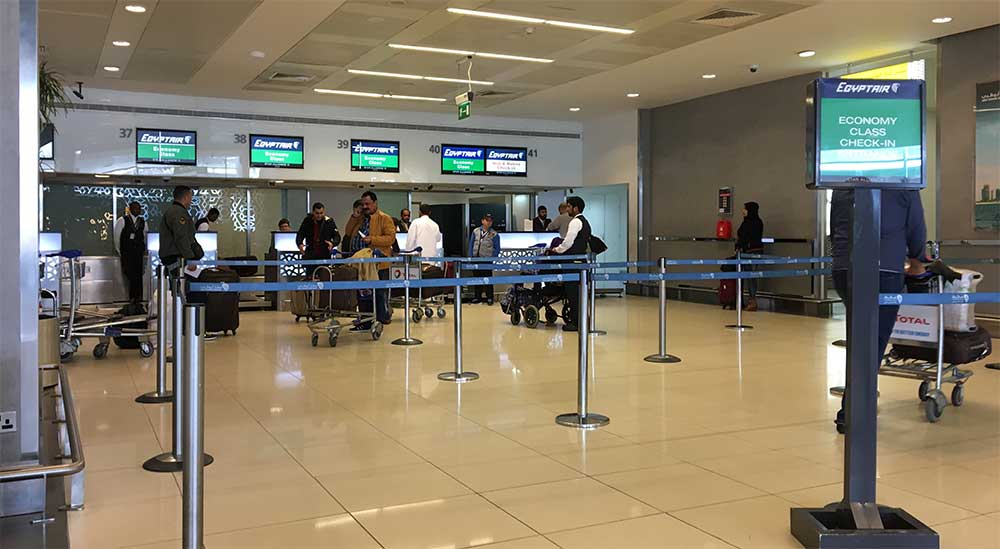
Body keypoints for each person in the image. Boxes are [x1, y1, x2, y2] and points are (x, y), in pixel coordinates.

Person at [831, 189, 927, 434]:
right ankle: (854, 409)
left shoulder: (842, 185)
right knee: (875, 340)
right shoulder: (904, 186)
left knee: (859, 337)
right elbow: (916, 227)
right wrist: (917, 259)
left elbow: (836, 227)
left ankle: (853, 405)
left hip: (844, 268)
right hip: (884, 269)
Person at [349, 191, 396, 326]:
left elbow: (390, 238)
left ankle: (381, 320)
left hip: (378, 264)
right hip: (361, 264)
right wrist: (354, 217)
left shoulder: (384, 218)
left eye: (367, 204)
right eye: (363, 204)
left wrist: (372, 240)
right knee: (362, 294)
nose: (365, 206)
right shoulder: (360, 218)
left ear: (375, 203)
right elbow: (347, 232)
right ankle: (365, 320)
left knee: (379, 294)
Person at [548, 196, 591, 332]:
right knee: (579, 293)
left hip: (572, 262)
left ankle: (576, 323)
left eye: (569, 206)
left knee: (573, 293)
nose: (567, 209)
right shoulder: (585, 222)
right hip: (581, 261)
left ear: (575, 208)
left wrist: (557, 250)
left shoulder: (575, 222)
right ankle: (582, 321)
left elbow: (568, 242)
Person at [159, 186, 200, 279]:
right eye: (190, 197)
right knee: (178, 286)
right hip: (176, 257)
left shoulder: (174, 211)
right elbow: (181, 236)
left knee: (175, 285)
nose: (191, 200)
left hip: (173, 256)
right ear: (186, 197)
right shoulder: (179, 213)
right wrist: (190, 257)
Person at [114, 201, 147, 305]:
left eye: (139, 208)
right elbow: (117, 238)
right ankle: (132, 298)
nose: (137, 210)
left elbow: (145, 237)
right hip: (127, 253)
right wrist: (120, 252)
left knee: (138, 275)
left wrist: (144, 250)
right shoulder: (122, 220)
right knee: (130, 274)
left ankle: (138, 298)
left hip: (138, 253)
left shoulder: (143, 222)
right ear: (130, 209)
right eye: (135, 208)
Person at [295, 202, 341, 276]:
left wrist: (332, 243)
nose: (319, 215)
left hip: (324, 254)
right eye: (317, 213)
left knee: (324, 278)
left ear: (324, 212)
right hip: (310, 254)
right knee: (310, 278)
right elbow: (300, 234)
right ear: (313, 212)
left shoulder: (329, 222)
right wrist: (300, 244)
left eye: (321, 213)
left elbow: (337, 237)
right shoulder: (307, 221)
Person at [734, 201, 764, 311]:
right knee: (752, 276)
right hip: (758, 251)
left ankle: (751, 301)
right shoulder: (759, 222)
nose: (743, 211)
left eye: (745, 209)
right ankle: (751, 299)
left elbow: (743, 237)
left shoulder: (748, 223)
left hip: (749, 252)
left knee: (749, 276)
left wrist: (738, 247)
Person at [468, 213, 500, 305]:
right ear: (482, 221)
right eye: (487, 220)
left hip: (487, 260)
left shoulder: (494, 234)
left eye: (490, 220)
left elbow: (497, 248)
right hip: (475, 259)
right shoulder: (476, 231)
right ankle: (477, 297)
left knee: (488, 279)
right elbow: (471, 245)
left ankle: (490, 297)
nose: (489, 222)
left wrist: (492, 258)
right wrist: (470, 257)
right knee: (477, 278)